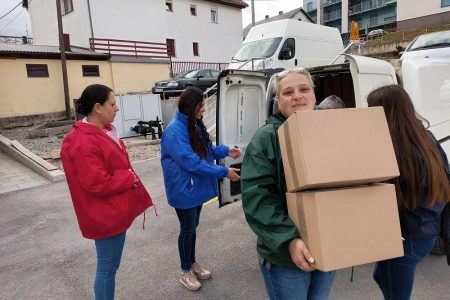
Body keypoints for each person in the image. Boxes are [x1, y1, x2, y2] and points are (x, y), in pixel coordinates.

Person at [241, 68, 335, 300]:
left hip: (327, 246)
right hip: (285, 257)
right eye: (288, 92)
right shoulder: (267, 138)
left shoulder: (329, 131)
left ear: (314, 95)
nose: (297, 96)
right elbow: (257, 198)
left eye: (304, 89)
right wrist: (289, 239)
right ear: (278, 101)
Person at [60, 84, 154, 300]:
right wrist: (128, 177)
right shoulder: (84, 141)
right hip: (103, 216)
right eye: (112, 104)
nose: (117, 109)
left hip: (110, 211)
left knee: (110, 265)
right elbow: (97, 183)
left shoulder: (103, 132)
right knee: (107, 267)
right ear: (97, 108)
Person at [367, 85, 450, 300]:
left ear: (384, 111)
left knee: (396, 294)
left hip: (408, 236)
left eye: (372, 108)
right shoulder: (425, 137)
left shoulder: (395, 148)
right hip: (424, 229)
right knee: (381, 276)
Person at [160, 86, 241, 291]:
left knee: (192, 228)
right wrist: (223, 172)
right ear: (191, 107)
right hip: (183, 189)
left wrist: (224, 150)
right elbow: (192, 162)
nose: (204, 109)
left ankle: (192, 263)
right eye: (201, 105)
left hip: (194, 188)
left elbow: (205, 150)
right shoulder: (174, 132)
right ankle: (185, 271)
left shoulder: (192, 124)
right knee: (187, 230)